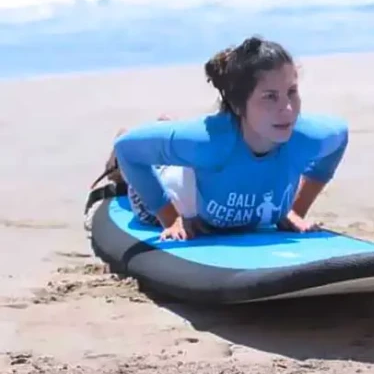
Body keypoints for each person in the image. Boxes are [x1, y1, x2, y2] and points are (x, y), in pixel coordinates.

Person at [94, 35, 349, 241]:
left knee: (175, 139)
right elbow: (128, 149)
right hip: (178, 193)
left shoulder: (307, 137)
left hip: (194, 158)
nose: (288, 110)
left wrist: (296, 209)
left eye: (291, 92)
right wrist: (170, 217)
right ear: (238, 105)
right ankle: (156, 135)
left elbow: (340, 137)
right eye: (270, 96)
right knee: (134, 162)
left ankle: (166, 129)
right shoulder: (210, 142)